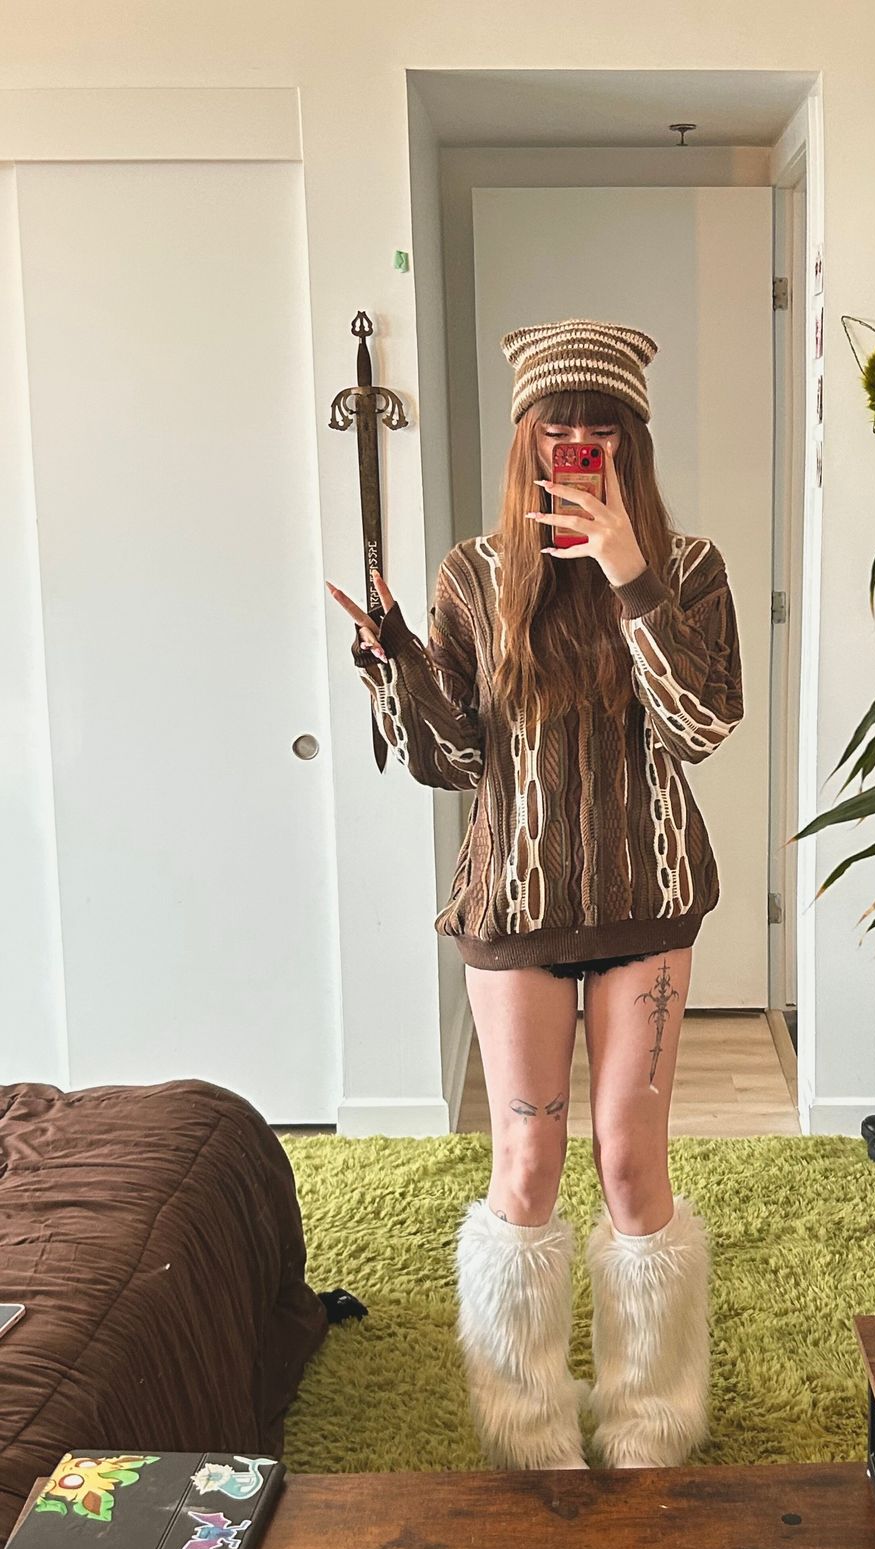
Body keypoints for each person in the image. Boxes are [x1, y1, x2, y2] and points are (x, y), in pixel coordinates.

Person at [326, 317, 744, 1472]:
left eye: (598, 435)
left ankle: (653, 1422)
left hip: (647, 899)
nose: (576, 453)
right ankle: (527, 1433)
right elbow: (454, 760)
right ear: (525, 442)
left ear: (629, 446)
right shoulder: (472, 574)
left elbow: (699, 728)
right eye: (556, 434)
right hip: (514, 908)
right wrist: (398, 667)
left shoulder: (690, 569)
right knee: (526, 1161)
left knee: (631, 1161)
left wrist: (629, 574)